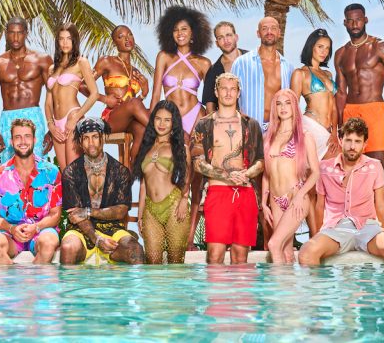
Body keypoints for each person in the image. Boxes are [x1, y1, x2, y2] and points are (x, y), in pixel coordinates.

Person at [298, 118, 384, 267]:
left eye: (357, 141)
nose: (352, 146)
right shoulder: (324, 168)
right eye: (348, 140)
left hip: (368, 228)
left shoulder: (374, 166)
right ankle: (319, 283)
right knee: (307, 252)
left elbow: (380, 204)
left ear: (364, 144)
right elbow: (319, 205)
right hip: (336, 229)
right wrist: (317, 237)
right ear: (340, 140)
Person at [334, 3, 384, 216]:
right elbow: (341, 92)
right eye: (350, 20)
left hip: (374, 110)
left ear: (365, 20)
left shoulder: (380, 47)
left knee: (378, 172)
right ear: (345, 23)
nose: (354, 24)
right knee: (350, 172)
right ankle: (356, 223)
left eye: (358, 19)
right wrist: (339, 125)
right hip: (350, 111)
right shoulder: (340, 54)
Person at [191, 73, 264, 264]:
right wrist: (226, 176)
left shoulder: (251, 124)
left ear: (239, 93)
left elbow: (261, 161)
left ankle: (240, 287)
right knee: (215, 255)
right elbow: (197, 162)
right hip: (218, 192)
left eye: (233, 89)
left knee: (241, 257)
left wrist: (246, 174)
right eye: (224, 88)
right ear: (216, 92)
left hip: (246, 192)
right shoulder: (204, 125)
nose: (228, 93)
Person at [60, 118, 145, 265]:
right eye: (86, 138)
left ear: (103, 138)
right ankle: (70, 282)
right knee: (68, 248)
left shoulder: (120, 171)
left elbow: (121, 211)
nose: (91, 143)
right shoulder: (71, 172)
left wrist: (88, 211)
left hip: (112, 228)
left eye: (94, 137)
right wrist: (97, 239)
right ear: (80, 142)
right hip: (80, 230)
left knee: (135, 250)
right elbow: (75, 215)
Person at [0, 119, 62, 264]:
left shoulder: (51, 172)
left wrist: (36, 227)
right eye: (18, 137)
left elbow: (55, 214)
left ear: (34, 139)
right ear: (11, 141)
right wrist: (11, 228)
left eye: (27, 136)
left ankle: (33, 279)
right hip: (10, 233)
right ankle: (14, 278)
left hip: (42, 230)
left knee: (48, 243)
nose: (23, 141)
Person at [261, 89, 320, 264]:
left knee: (274, 244)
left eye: (287, 103)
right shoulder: (268, 137)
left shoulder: (304, 136)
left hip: (295, 196)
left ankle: (278, 283)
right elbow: (266, 173)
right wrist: (263, 203)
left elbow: (316, 172)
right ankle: (289, 282)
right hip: (275, 199)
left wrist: (300, 195)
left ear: (295, 106)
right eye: (279, 104)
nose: (283, 108)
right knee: (286, 252)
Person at [132, 101, 191, 264]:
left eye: (167, 120)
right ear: (153, 121)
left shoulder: (180, 147)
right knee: (152, 262)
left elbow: (187, 176)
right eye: (158, 119)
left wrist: (184, 199)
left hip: (174, 206)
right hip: (150, 210)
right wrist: (140, 215)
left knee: (176, 262)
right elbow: (143, 184)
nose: (162, 124)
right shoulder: (146, 147)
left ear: (173, 123)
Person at [0, 17, 53, 163]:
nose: (15, 37)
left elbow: (54, 95)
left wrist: (52, 130)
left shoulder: (42, 60)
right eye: (12, 33)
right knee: (8, 166)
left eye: (19, 33)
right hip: (7, 119)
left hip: (34, 116)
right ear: (6, 34)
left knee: (36, 164)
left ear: (26, 33)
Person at [89, 25, 150, 163]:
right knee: (138, 106)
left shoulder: (136, 71)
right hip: (111, 118)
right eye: (121, 36)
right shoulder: (107, 61)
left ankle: (132, 171)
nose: (127, 39)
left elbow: (134, 105)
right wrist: (104, 98)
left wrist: (144, 93)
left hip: (129, 119)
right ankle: (165, 135)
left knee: (142, 129)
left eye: (130, 34)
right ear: (114, 43)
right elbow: (82, 85)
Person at [150, 5, 213, 136]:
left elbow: (210, 99)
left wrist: (210, 123)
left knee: (197, 149)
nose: (179, 33)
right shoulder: (164, 57)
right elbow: (156, 94)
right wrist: (151, 124)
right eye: (175, 30)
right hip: (170, 117)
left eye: (184, 29)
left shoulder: (204, 63)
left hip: (196, 115)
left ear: (193, 33)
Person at [45, 23, 99, 170]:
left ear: (74, 40)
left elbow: (94, 93)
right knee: (65, 174)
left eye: (69, 38)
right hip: (56, 124)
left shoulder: (81, 63)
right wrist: (51, 125)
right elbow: (48, 103)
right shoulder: (52, 68)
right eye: (61, 39)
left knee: (73, 171)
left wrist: (75, 118)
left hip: (72, 116)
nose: (65, 42)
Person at [231, 16, 295, 130]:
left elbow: (292, 102)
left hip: (277, 130)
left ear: (279, 33)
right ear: (258, 33)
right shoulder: (241, 63)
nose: (269, 32)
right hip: (249, 128)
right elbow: (231, 96)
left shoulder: (288, 67)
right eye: (264, 28)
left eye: (273, 28)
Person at [291, 28, 339, 161]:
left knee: (328, 168)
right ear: (311, 47)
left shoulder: (328, 74)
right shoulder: (300, 73)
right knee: (337, 159)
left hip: (329, 131)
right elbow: (293, 107)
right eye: (320, 47)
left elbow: (334, 108)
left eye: (327, 48)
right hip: (311, 127)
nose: (324, 52)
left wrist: (334, 132)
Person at [202, 21, 248, 113]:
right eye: (220, 38)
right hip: (230, 119)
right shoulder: (213, 71)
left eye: (228, 35)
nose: (226, 40)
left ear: (236, 37)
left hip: (258, 117)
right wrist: (216, 121)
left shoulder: (253, 59)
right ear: (217, 43)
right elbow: (210, 105)